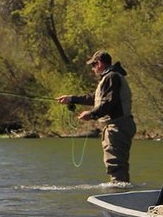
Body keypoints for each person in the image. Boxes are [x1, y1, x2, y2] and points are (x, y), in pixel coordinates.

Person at [57, 50, 135, 184]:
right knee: (117, 162)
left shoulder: (111, 77)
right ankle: (121, 187)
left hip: (118, 126)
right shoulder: (111, 77)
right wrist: (72, 99)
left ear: (98, 63)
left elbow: (109, 102)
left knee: (115, 163)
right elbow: (96, 98)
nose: (93, 69)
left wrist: (91, 114)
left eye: (93, 66)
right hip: (120, 125)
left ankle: (119, 190)